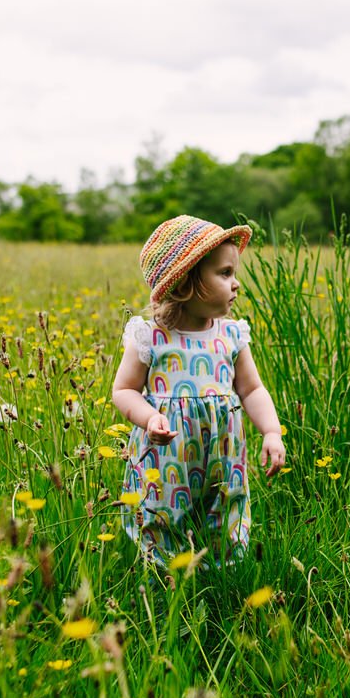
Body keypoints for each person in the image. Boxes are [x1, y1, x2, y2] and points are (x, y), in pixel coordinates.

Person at [112, 214, 286, 565]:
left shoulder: (232, 335)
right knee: (161, 511)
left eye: (234, 273)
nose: (236, 284)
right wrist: (149, 418)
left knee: (225, 507)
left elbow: (251, 390)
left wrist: (271, 431)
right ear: (183, 285)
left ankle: (223, 573)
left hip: (224, 457)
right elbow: (124, 390)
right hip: (166, 457)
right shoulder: (151, 337)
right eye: (224, 274)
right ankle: (163, 573)